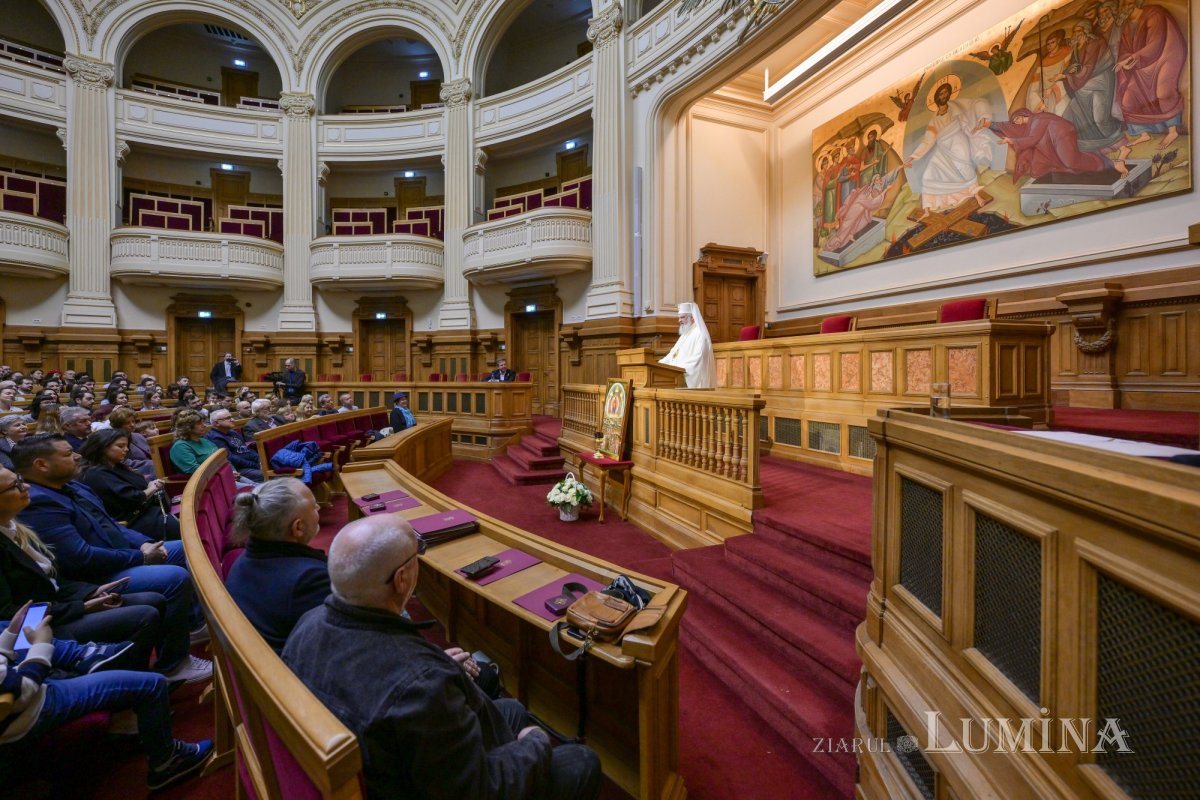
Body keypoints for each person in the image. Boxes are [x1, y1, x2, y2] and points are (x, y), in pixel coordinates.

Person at [283, 515, 601, 800]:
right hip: (425, 782)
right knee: (581, 761)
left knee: (512, 710)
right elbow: (480, 789)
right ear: (402, 580)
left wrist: (441, 668)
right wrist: (535, 744)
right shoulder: (423, 687)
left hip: (383, 759)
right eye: (417, 553)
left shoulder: (305, 626)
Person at [13, 434, 211, 684]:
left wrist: (143, 543)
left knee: (185, 547)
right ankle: (174, 663)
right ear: (41, 465)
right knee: (173, 578)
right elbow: (80, 559)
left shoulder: (72, 485)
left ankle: (192, 625)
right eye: (66, 454)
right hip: (94, 575)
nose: (77, 455)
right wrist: (139, 556)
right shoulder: (39, 502)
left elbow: (112, 527)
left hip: (118, 555)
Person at [0, 602, 215, 791]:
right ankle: (166, 762)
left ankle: (89, 660)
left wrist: (10, 633)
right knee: (152, 685)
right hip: (31, 709)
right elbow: (22, 692)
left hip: (26, 690)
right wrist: (41, 645)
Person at [0, 465, 169, 669]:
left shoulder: (15, 526)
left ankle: (137, 675)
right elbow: (9, 613)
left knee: (154, 600)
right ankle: (123, 686)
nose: (25, 486)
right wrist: (81, 606)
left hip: (59, 603)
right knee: (144, 615)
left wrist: (90, 592)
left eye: (20, 479)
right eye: (15, 485)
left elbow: (51, 579)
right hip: (33, 628)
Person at [224, 479, 327, 653]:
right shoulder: (309, 581)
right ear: (298, 528)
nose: (318, 509)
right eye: (314, 506)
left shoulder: (243, 562)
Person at [901, 74, 995, 213]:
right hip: (943, 147)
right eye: (941, 93)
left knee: (963, 167)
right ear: (936, 98)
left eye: (946, 92)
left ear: (950, 94)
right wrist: (912, 157)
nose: (944, 95)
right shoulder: (934, 119)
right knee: (929, 173)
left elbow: (976, 104)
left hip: (958, 140)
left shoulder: (956, 106)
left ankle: (977, 195)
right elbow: (928, 140)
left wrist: (983, 117)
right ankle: (928, 210)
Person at [78, 429, 178, 541]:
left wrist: (150, 484)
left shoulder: (116, 465)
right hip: (135, 522)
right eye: (120, 446)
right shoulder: (96, 473)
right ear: (102, 447)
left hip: (150, 512)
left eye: (126, 446)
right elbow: (134, 498)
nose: (126, 450)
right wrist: (152, 487)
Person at [1114, 0, 1186, 151]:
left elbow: (1156, 44)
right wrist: (1125, 60)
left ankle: (1172, 131)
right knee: (1128, 99)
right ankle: (1143, 133)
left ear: (1136, 3)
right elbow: (1125, 49)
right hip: (1140, 65)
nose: (1123, 7)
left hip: (1164, 56)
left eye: (1127, 3)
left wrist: (1130, 59)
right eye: (1121, 4)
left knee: (1164, 93)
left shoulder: (1154, 13)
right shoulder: (1127, 25)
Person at [824, 168, 901, 252]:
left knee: (856, 224)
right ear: (874, 181)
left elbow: (887, 177)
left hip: (861, 209)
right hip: (857, 207)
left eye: (879, 179)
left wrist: (903, 165)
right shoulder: (873, 189)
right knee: (847, 224)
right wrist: (886, 190)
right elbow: (873, 202)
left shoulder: (876, 188)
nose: (880, 181)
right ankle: (834, 243)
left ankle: (846, 237)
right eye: (877, 179)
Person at [659, 302, 717, 389]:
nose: (679, 320)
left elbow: (697, 360)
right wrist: (659, 365)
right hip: (676, 378)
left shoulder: (700, 334)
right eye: (679, 317)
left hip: (694, 384)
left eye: (682, 317)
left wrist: (676, 370)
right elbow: (672, 355)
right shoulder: (684, 335)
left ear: (692, 318)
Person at [205, 408, 264, 482]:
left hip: (251, 464)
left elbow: (247, 450)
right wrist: (256, 465)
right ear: (217, 423)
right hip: (239, 469)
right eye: (228, 418)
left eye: (231, 417)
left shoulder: (233, 432)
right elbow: (231, 458)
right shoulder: (215, 437)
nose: (233, 420)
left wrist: (260, 461)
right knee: (265, 474)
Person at [108, 407, 157, 480]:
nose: (132, 424)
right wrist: (150, 463)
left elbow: (150, 452)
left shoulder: (137, 435)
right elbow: (122, 461)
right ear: (118, 425)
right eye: (127, 423)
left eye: (133, 421)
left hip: (151, 466)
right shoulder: (114, 440)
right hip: (133, 471)